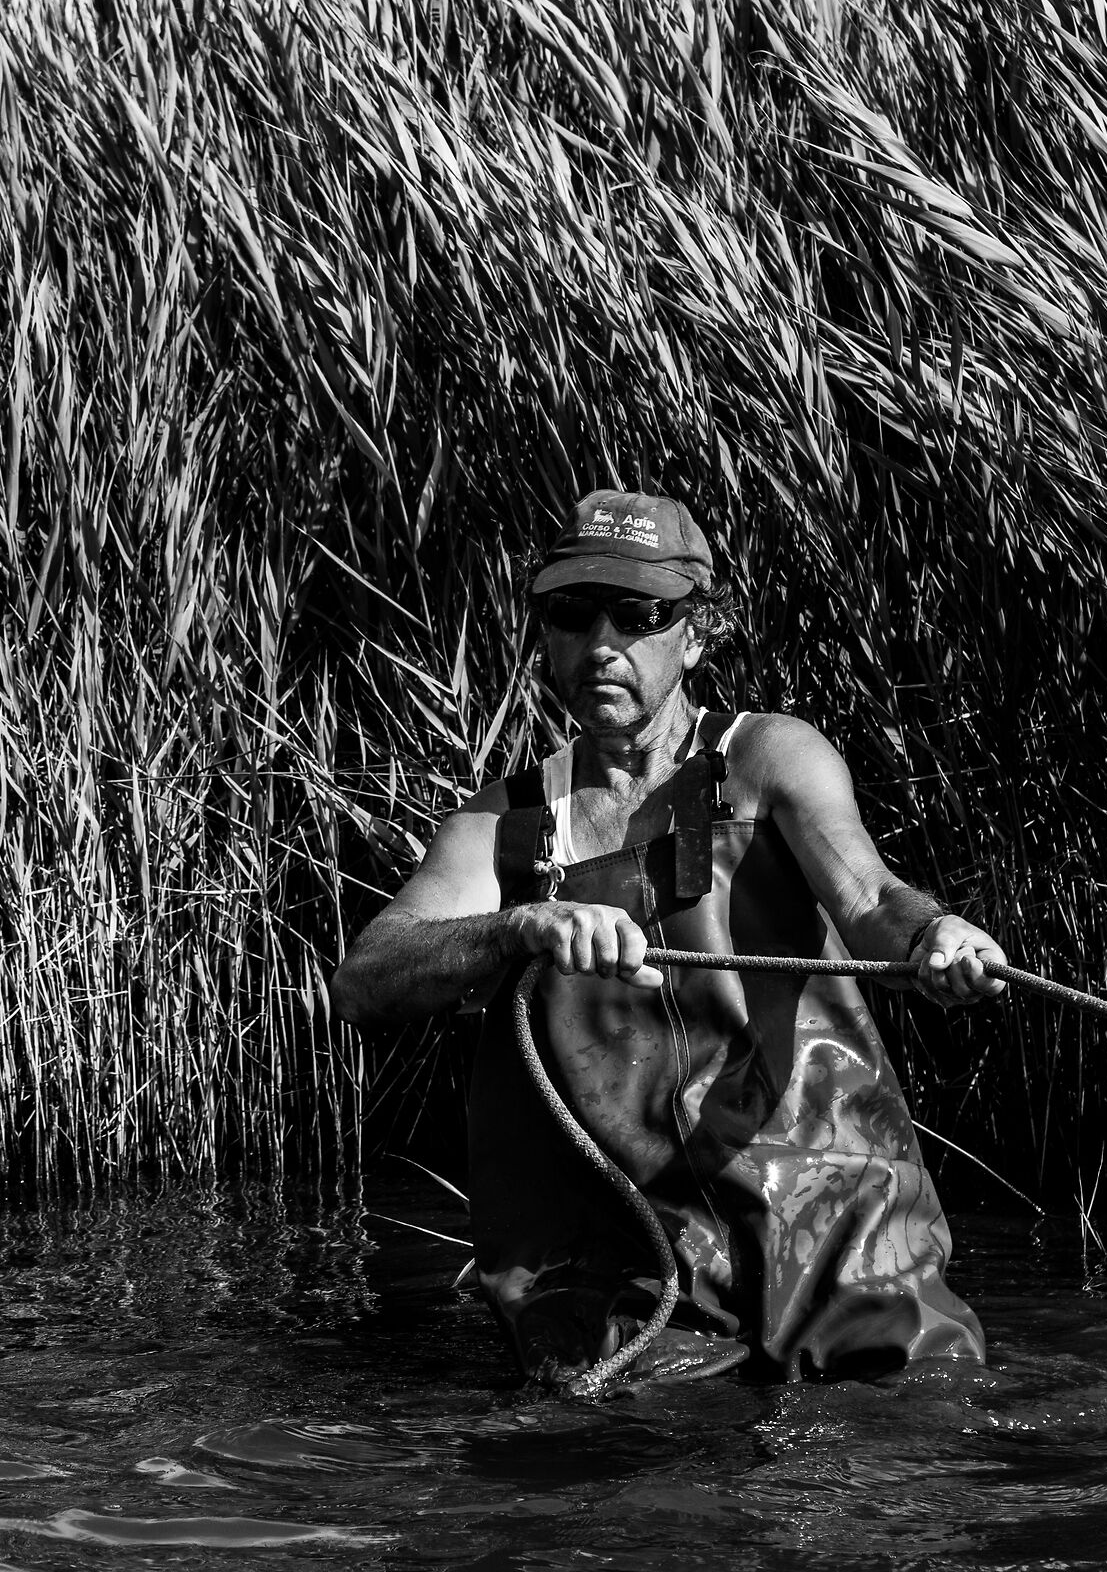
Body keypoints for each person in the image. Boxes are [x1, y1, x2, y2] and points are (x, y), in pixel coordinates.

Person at [330, 489, 1009, 1386]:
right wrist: (518, 927)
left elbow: (871, 897)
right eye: (571, 614)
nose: (601, 644)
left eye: (638, 614)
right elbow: (363, 979)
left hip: (835, 1229)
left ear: (696, 634)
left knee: (915, 1438)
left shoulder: (770, 757)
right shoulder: (499, 828)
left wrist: (936, 935)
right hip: (624, 1281)